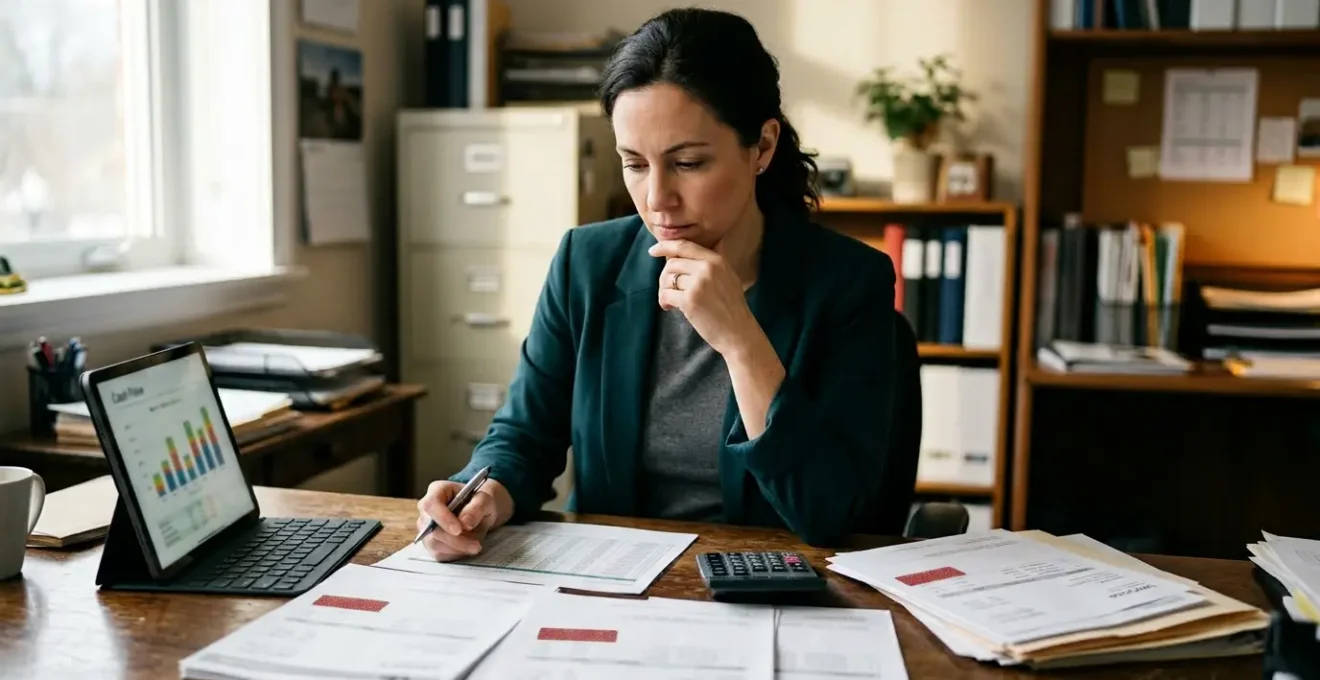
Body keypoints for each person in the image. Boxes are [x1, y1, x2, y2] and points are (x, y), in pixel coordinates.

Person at [416, 7, 898, 559]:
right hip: (612, 585)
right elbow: (524, 436)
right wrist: (485, 493)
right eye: (635, 164)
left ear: (762, 147)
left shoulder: (848, 283)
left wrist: (741, 341)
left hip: (769, 596)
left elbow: (829, 514)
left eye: (688, 163)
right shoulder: (587, 263)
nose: (656, 198)